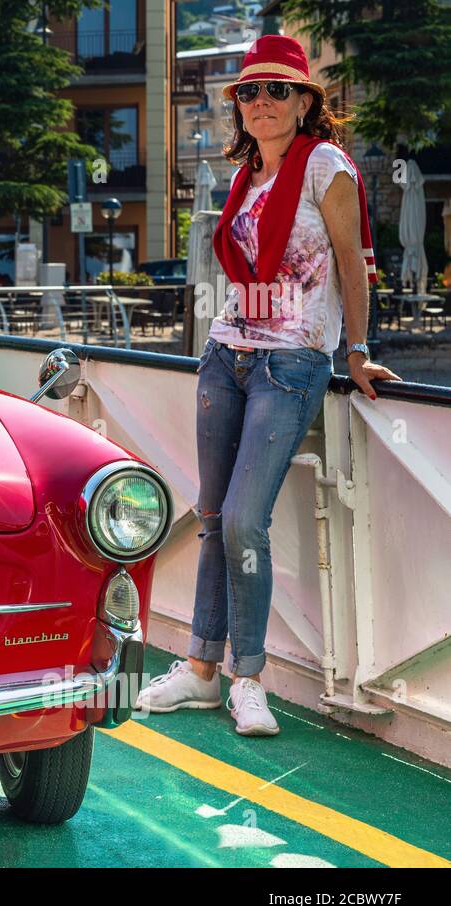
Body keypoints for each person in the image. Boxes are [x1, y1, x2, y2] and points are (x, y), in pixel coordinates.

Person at [135, 35, 401, 735]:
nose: (262, 102)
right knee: (215, 514)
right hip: (227, 354)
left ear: (306, 101)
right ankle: (198, 669)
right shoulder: (245, 176)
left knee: (248, 518)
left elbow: (352, 262)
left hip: (294, 362)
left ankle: (246, 679)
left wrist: (359, 351)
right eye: (250, 92)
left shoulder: (327, 166)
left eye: (278, 90)